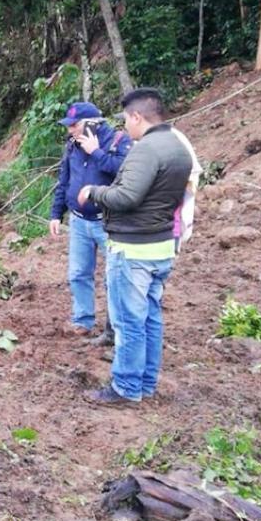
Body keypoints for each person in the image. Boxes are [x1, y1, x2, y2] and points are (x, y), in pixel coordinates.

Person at [78, 88, 198, 406]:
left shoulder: (146, 149)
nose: (125, 129)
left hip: (133, 250)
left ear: (137, 116)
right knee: (150, 318)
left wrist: (94, 191)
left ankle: (126, 388)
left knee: (129, 321)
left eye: (126, 121)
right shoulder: (178, 146)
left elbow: (126, 197)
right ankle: (145, 382)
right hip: (160, 246)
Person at [49, 101, 133, 343]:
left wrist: (95, 152)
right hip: (78, 221)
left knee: (114, 277)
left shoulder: (119, 141)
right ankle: (83, 320)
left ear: (92, 124)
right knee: (78, 273)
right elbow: (64, 180)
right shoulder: (71, 146)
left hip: (108, 222)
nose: (70, 130)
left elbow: (123, 173)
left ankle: (116, 327)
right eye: (69, 126)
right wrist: (56, 213)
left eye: (74, 125)